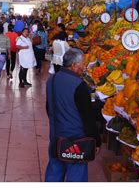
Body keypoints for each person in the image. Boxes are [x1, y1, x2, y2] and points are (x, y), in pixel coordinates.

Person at [45, 48, 101, 182]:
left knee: (54, 171)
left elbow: (49, 107)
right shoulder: (79, 85)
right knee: (76, 175)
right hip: (76, 140)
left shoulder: (52, 80)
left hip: (56, 136)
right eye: (82, 64)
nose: (84, 67)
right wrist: (96, 140)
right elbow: (88, 117)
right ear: (74, 65)